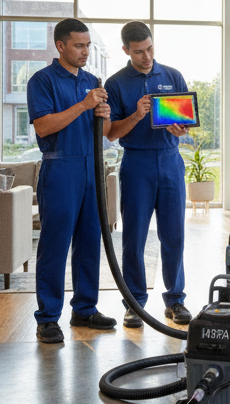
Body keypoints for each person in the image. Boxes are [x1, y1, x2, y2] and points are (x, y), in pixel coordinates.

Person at [27, 18, 116, 345]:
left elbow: (104, 134)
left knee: (91, 242)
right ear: (60, 46)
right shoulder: (43, 80)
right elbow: (44, 127)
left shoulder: (92, 81)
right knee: (55, 245)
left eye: (88, 45)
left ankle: (85, 308)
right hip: (60, 168)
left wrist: (104, 117)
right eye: (79, 45)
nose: (85, 51)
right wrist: (83, 105)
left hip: (92, 168)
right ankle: (48, 318)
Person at [104, 21, 192, 330]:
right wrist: (136, 115)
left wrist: (180, 129)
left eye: (150, 49)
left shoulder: (172, 76)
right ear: (126, 50)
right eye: (139, 52)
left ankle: (176, 300)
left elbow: (185, 124)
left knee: (174, 235)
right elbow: (111, 133)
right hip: (137, 163)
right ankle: (135, 303)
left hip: (170, 160)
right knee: (134, 237)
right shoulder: (115, 84)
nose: (147, 57)